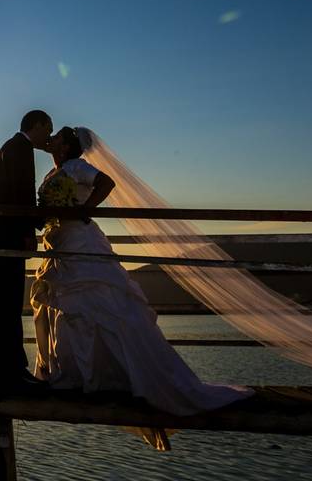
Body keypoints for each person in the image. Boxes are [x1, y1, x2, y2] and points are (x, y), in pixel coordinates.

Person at [31, 126, 251, 422]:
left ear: (67, 146)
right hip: (60, 241)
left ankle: (120, 375)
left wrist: (85, 209)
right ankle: (80, 374)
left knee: (98, 305)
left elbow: (106, 183)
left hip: (81, 242)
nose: (53, 137)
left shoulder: (77, 167)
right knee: (71, 309)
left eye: (58, 136)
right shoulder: (55, 172)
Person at [0, 109, 52, 390]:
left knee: (3, 302)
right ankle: (10, 370)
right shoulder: (20, 148)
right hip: (4, 235)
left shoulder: (12, 146)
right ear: (38, 125)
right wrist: (29, 230)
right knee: (6, 302)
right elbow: (21, 192)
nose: (48, 136)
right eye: (48, 129)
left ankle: (3, 365)